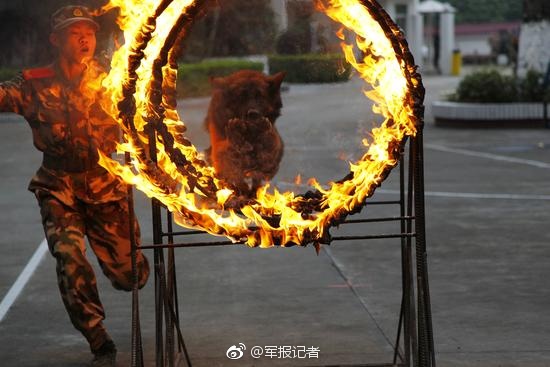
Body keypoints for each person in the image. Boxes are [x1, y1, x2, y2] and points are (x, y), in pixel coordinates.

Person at [0, 5, 150, 367]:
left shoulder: (112, 76)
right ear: (55, 39)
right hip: (58, 185)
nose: (84, 38)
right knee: (69, 257)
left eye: (89, 31)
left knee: (130, 276)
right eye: (73, 32)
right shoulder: (33, 84)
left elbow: (146, 103)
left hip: (104, 184)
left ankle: (129, 268)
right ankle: (100, 343)